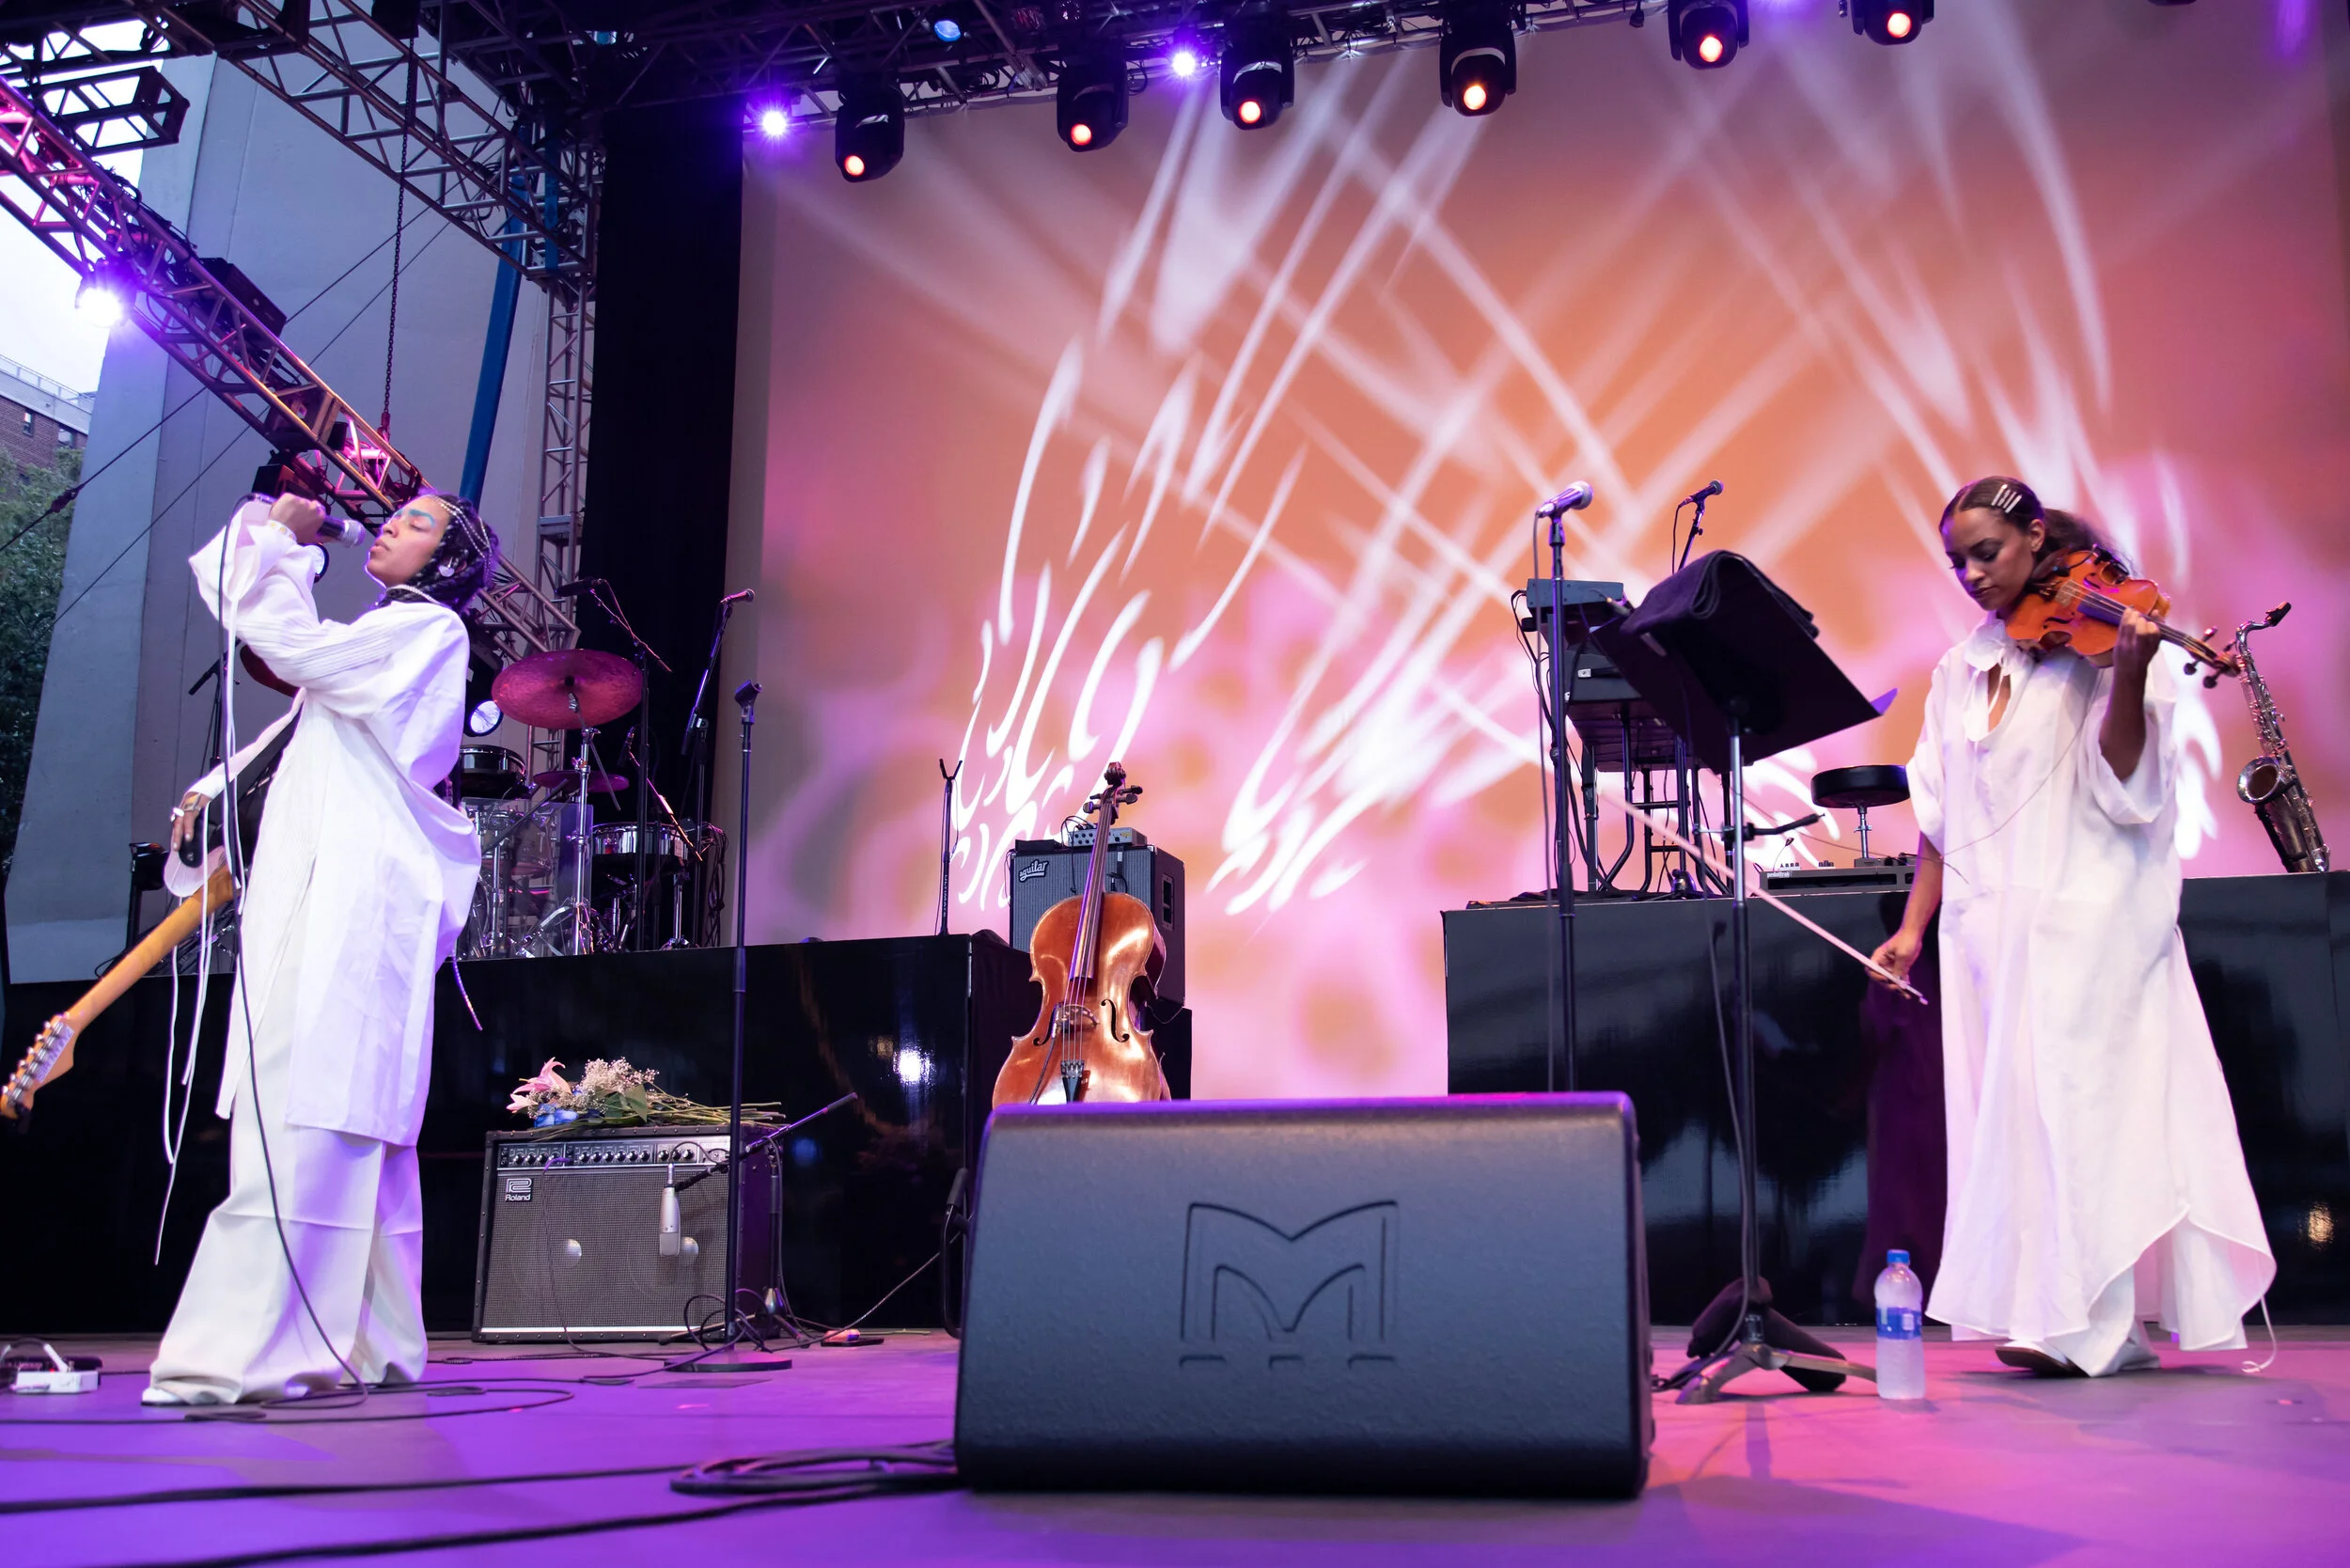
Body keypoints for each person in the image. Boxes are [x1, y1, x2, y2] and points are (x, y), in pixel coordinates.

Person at [1869, 477, 2273, 1378]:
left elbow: (2127, 781)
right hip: (1989, 928)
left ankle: (2103, 1325)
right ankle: (2052, 1312)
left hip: (2090, 914)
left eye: (1987, 553)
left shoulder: (2100, 641)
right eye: (1957, 562)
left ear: (2036, 538)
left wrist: (2127, 670)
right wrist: (1912, 930)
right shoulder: (1962, 666)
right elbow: (1941, 813)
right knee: (2017, 1125)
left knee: (2087, 1113)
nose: (1972, 575)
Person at [143, 490, 497, 1405]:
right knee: (348, 1122)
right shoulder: (381, 640)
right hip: (333, 897)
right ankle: (374, 1343)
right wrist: (211, 794)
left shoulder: (427, 630)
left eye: (418, 522)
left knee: (310, 1110)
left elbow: (293, 649)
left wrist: (278, 545)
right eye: (397, 514)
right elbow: (298, 727)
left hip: (351, 902)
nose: (392, 525)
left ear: (450, 561)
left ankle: (241, 1354)